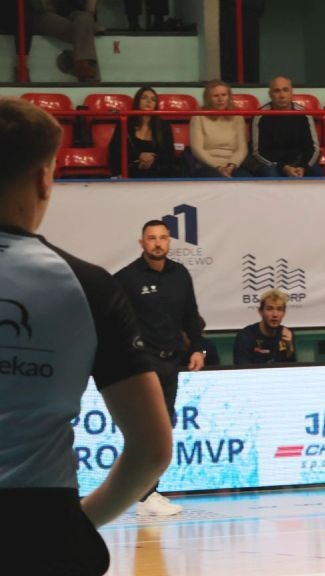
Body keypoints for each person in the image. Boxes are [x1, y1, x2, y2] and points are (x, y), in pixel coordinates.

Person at [0, 97, 171, 576]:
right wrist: (76, 524)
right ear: (44, 179)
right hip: (40, 531)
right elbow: (152, 449)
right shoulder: (87, 285)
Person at [114, 218, 210, 517]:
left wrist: (198, 348)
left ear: (169, 241)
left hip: (172, 362)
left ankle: (148, 493)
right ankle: (145, 494)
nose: (158, 243)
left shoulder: (180, 274)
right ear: (142, 243)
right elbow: (112, 318)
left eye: (163, 238)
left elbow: (191, 315)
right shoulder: (127, 278)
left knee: (164, 429)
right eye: (152, 238)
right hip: (144, 363)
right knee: (148, 430)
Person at [249, 76, 322, 177]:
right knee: (270, 174)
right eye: (277, 91)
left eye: (285, 90)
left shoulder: (304, 114)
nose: (282, 95)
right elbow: (258, 152)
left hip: (299, 162)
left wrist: (302, 167)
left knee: (318, 173)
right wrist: (283, 167)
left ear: (292, 92)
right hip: (273, 164)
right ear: (270, 94)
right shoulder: (260, 116)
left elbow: (313, 148)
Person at [107, 86, 180, 178]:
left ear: (156, 105)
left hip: (157, 172)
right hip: (131, 170)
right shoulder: (124, 123)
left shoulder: (164, 126)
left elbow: (169, 154)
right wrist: (139, 157)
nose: (149, 101)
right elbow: (115, 150)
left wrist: (153, 159)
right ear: (137, 101)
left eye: (153, 100)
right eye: (144, 98)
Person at [190, 79, 251, 178]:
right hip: (208, 166)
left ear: (229, 97)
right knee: (217, 178)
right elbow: (197, 149)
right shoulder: (198, 116)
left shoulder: (237, 116)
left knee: (247, 179)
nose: (220, 99)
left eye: (224, 95)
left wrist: (231, 166)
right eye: (215, 96)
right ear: (208, 98)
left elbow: (242, 148)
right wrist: (218, 167)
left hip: (232, 165)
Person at [232, 289, 297, 365]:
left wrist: (289, 347)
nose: (275, 314)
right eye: (269, 309)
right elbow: (242, 368)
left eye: (279, 309)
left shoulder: (287, 334)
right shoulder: (246, 336)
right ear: (261, 312)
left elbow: (293, 368)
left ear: (284, 313)